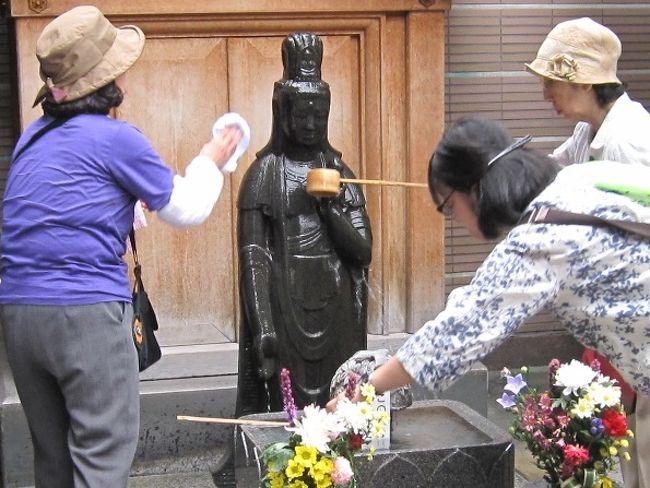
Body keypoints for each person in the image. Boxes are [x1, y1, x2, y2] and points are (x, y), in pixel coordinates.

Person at [327, 117, 650, 487]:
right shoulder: (578, 180)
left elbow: (457, 333)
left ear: (474, 190)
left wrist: (365, 390)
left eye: (448, 207)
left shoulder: (540, 239)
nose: (456, 221)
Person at [0, 6, 242, 488]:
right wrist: (213, 158)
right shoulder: (116, 139)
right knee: (101, 462)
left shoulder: (31, 138)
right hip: (83, 314)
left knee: (54, 463)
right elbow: (186, 209)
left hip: (18, 313)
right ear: (109, 79)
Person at [526, 18, 650, 486]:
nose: (545, 96)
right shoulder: (590, 133)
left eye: (550, 83)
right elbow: (549, 175)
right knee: (630, 449)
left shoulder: (629, 141)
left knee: (645, 447)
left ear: (578, 80)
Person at [236, 32, 372, 416]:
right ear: (283, 114)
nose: (311, 124)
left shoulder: (339, 173)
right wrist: (263, 324)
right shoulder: (264, 174)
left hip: (338, 307)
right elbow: (254, 257)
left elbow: (363, 251)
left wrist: (330, 210)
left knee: (339, 406)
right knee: (284, 406)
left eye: (319, 114)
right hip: (283, 305)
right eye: (301, 114)